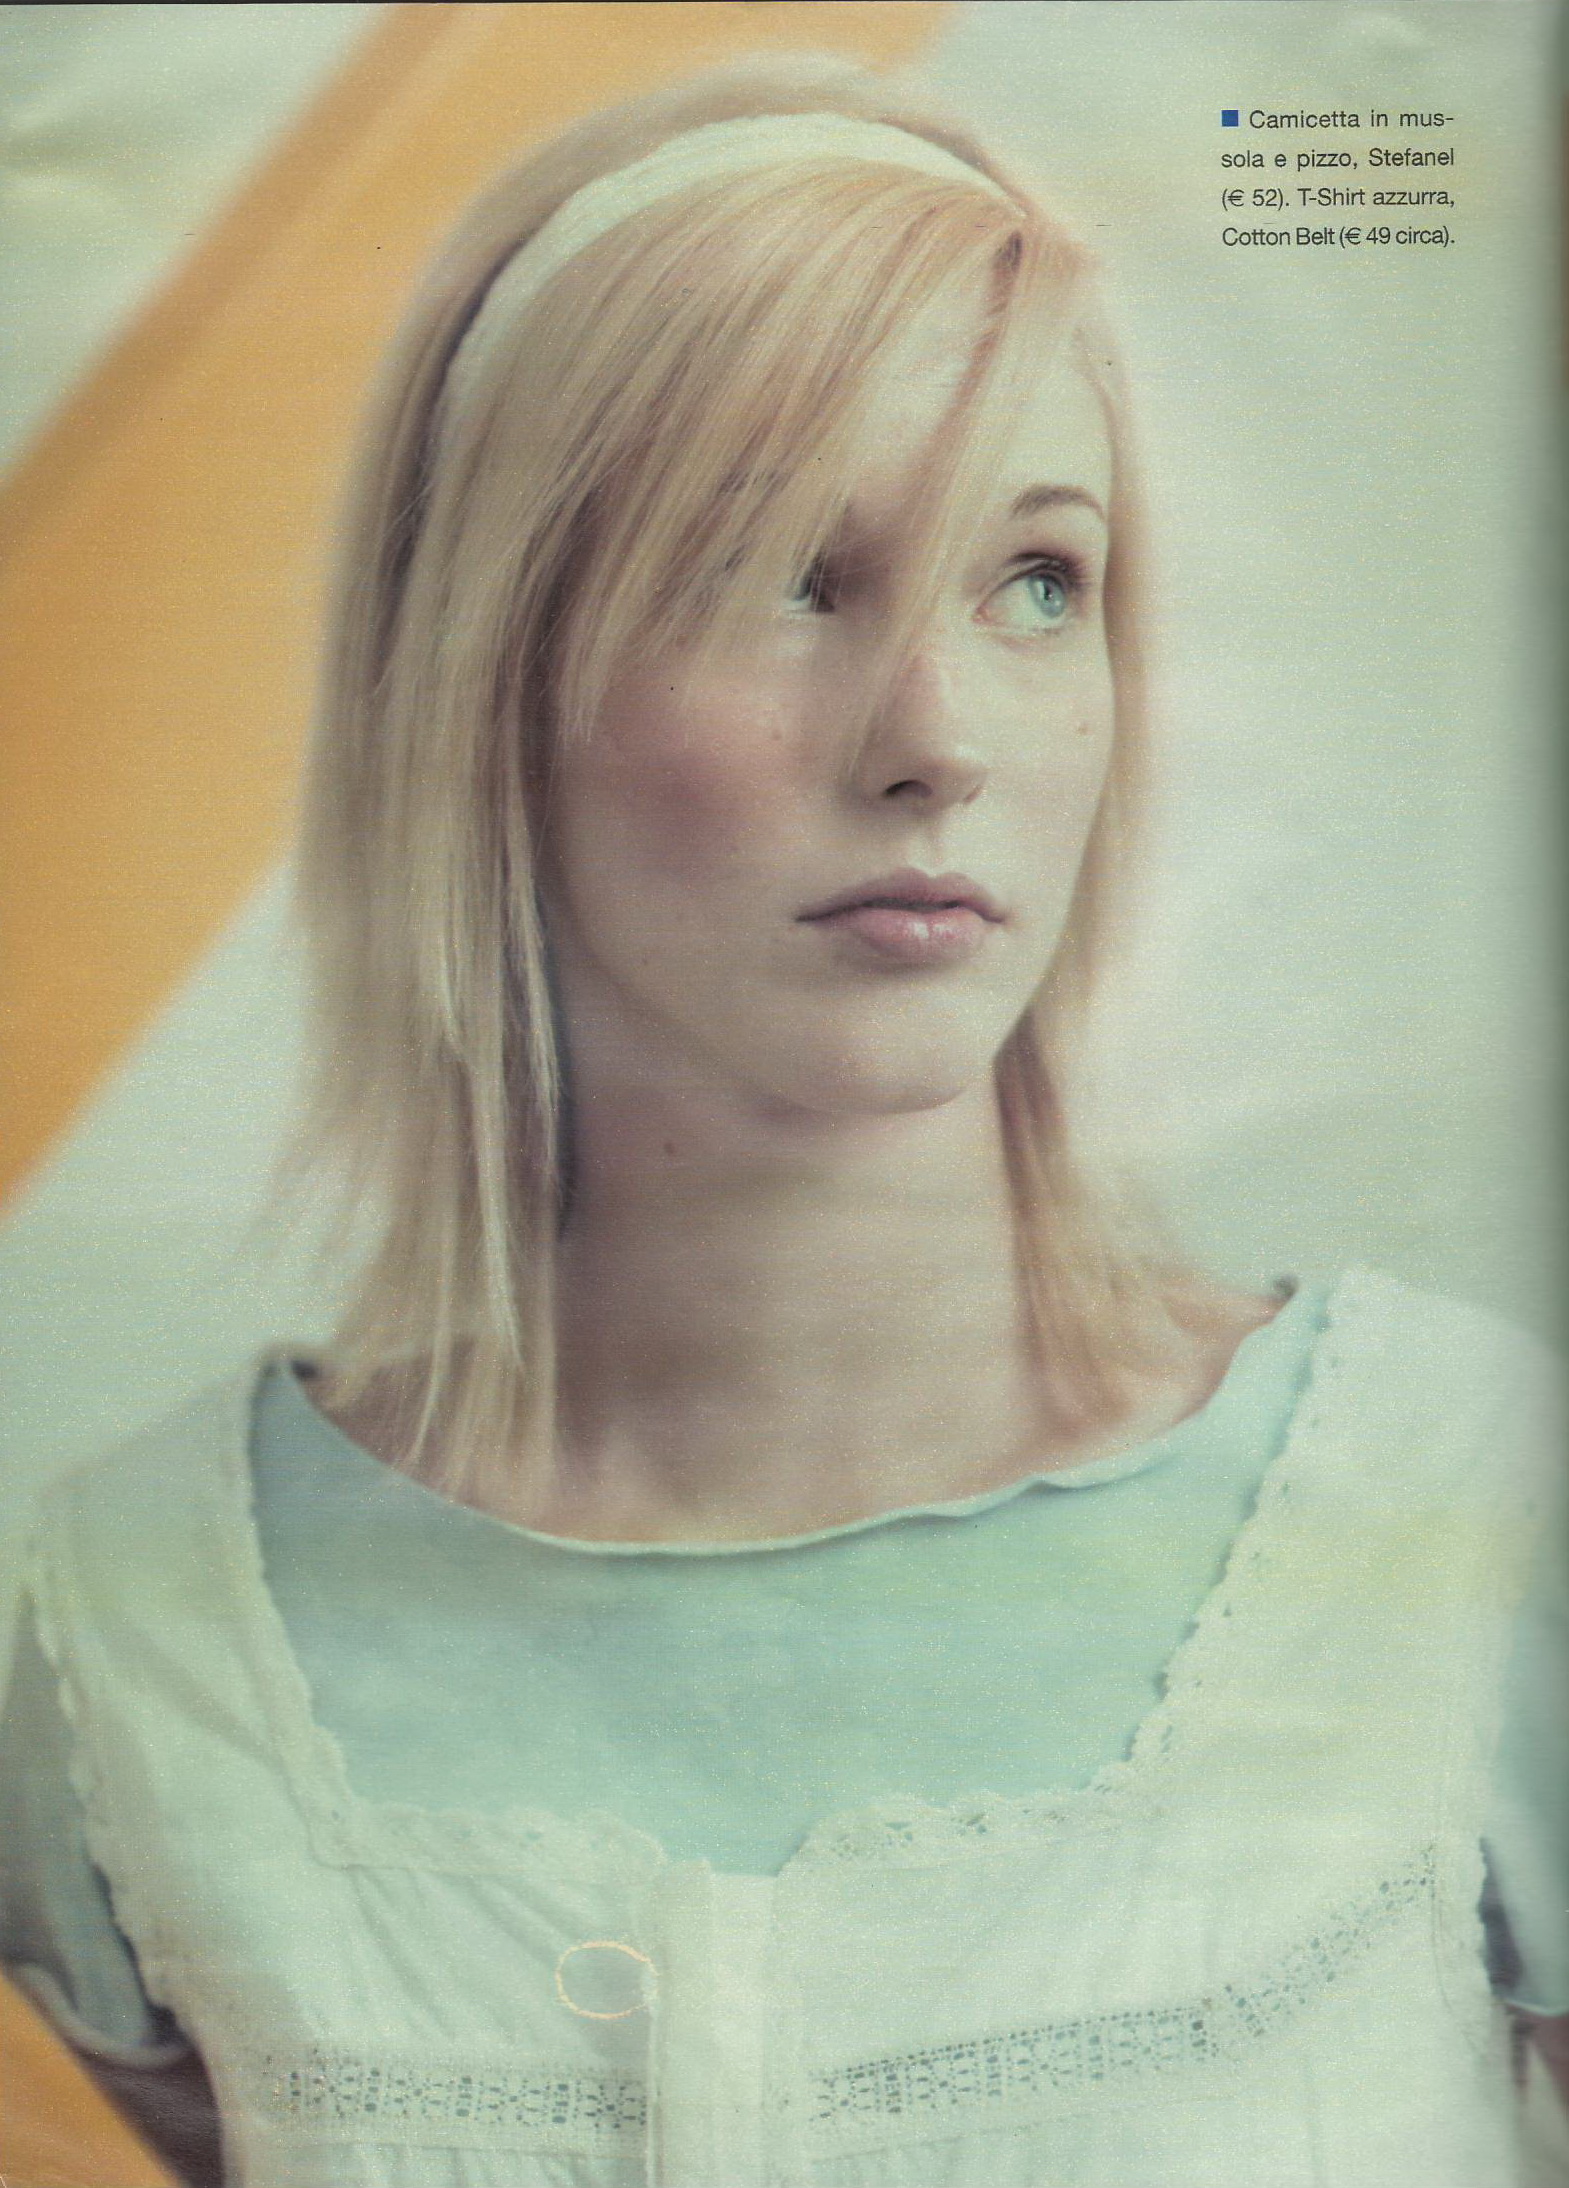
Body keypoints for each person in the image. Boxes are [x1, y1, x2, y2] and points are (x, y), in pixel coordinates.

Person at [2, 54, 1563, 2188]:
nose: (936, 736)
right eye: (783, 572)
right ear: (485, 681)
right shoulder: (125, 1642)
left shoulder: (1464, 1517)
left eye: (1035, 580)